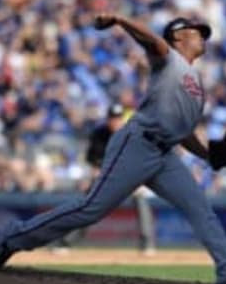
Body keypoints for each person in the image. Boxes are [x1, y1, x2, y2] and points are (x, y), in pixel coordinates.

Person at [0, 14, 226, 284]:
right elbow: (151, 41)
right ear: (178, 36)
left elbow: (183, 133)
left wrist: (208, 155)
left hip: (164, 153)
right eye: (195, 31)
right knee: (90, 209)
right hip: (137, 144)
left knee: (201, 208)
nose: (202, 35)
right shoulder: (169, 59)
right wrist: (120, 19)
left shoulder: (196, 83)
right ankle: (15, 238)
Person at [50, 103, 156, 256]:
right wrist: (96, 174)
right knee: (88, 206)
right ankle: (66, 242)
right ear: (108, 119)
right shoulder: (99, 134)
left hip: (127, 177)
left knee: (140, 197)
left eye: (118, 118)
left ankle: (147, 243)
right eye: (113, 118)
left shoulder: (132, 134)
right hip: (105, 177)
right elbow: (92, 160)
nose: (115, 121)